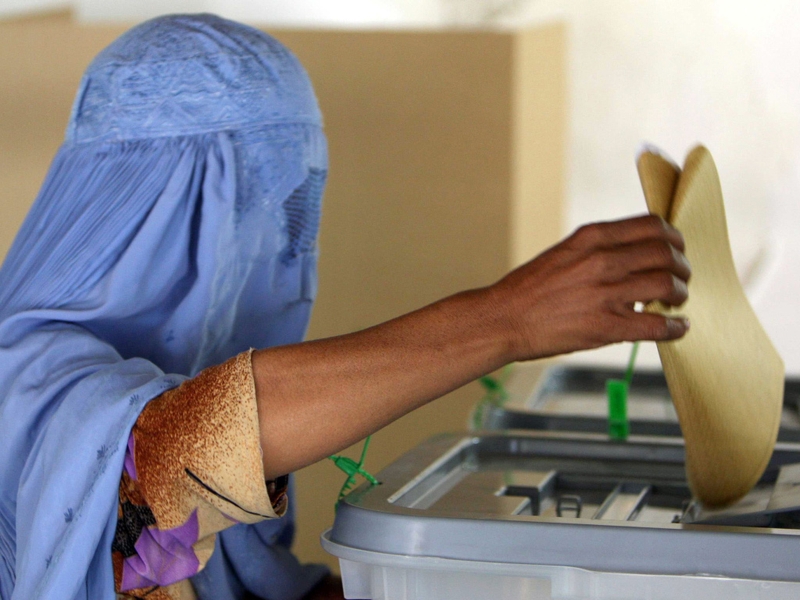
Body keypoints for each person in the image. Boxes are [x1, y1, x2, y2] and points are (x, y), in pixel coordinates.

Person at [0, 14, 691, 600]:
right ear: (166, 207)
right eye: (272, 202)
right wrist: (508, 319)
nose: (294, 242)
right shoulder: (26, 380)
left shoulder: (167, 377)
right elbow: (163, 461)